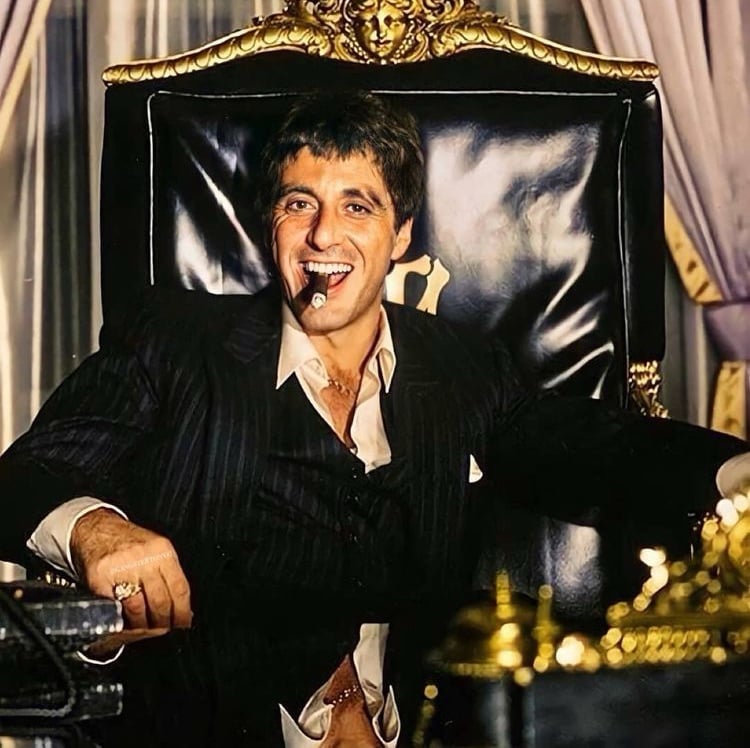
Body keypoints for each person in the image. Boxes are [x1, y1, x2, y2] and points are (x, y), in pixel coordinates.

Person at [0, 91, 747, 746]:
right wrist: (96, 530)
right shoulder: (174, 342)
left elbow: (589, 445)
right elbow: (22, 476)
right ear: (270, 224)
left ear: (401, 235)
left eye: (357, 206)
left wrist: (737, 477)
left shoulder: (462, 363)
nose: (324, 235)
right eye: (299, 203)